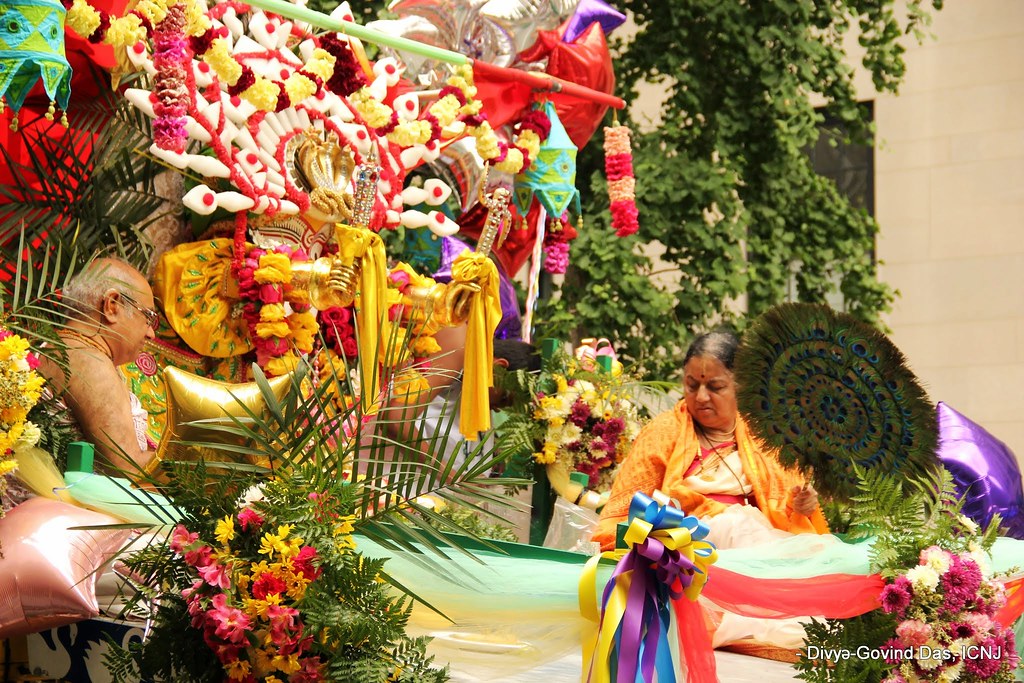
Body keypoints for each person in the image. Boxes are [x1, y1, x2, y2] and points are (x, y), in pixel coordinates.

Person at [593, 330, 827, 550]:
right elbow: (625, 513)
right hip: (686, 550)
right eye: (692, 386)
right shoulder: (662, 432)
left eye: (715, 387)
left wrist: (800, 506)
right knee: (731, 526)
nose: (701, 397)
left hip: (760, 546)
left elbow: (785, 513)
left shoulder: (765, 434)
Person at [39, 257, 159, 474]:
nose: (151, 333)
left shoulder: (60, 345)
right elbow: (128, 470)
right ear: (112, 305)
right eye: (148, 317)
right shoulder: (89, 361)